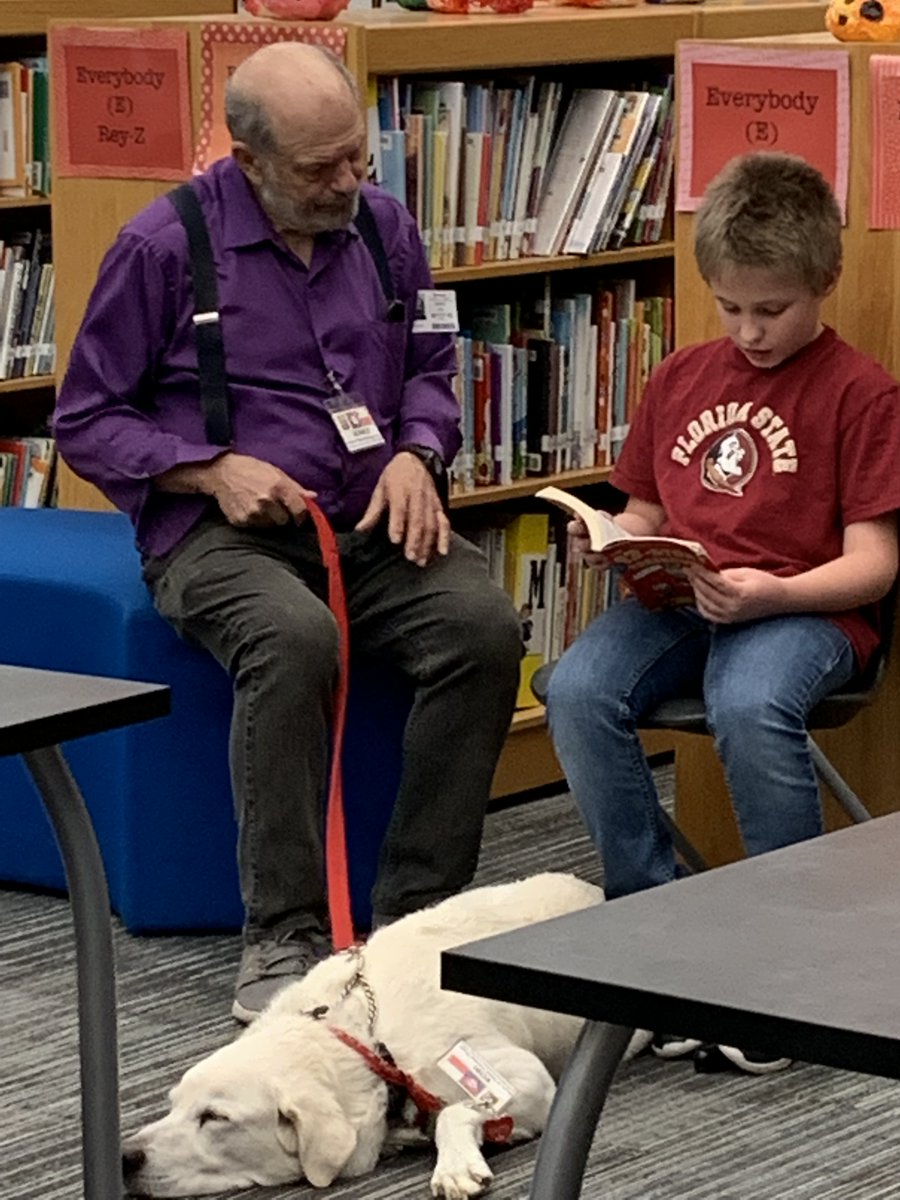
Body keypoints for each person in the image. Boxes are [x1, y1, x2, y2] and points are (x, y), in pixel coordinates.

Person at [54, 41, 522, 1023]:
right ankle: (284, 932)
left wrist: (417, 452)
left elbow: (433, 362)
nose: (351, 181)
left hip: (369, 516)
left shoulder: (389, 229)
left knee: (483, 629)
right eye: (322, 169)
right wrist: (203, 467)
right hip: (217, 534)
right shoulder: (159, 248)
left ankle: (416, 914)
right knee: (295, 638)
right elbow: (85, 420)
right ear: (250, 159)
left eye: (358, 156)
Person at [546, 152, 900, 1073]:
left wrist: (775, 593)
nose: (749, 331)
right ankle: (656, 923)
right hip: (685, 599)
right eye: (730, 307)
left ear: (823, 281)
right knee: (577, 688)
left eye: (771, 310)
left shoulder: (861, 394)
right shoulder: (680, 377)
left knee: (748, 705)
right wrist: (608, 539)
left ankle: (783, 962)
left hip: (802, 607)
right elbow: (649, 516)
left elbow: (875, 564)